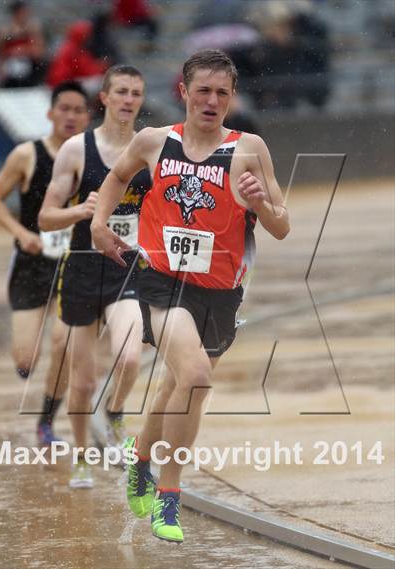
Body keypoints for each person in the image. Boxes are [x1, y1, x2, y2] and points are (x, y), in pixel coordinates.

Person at [91, 49, 289, 542]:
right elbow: (118, 177)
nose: (212, 100)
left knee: (175, 387)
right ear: (183, 92)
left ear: (232, 97)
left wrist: (262, 203)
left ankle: (140, 458)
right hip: (163, 281)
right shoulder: (155, 141)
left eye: (222, 92)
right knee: (196, 379)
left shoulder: (249, 149)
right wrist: (99, 223)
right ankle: (169, 496)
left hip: (222, 293)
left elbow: (282, 227)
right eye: (203, 90)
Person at [39, 65, 151, 489]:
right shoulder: (75, 150)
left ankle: (117, 410)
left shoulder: (152, 148)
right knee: (82, 383)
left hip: (127, 267)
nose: (128, 100)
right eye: (120, 91)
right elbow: (46, 217)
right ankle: (83, 456)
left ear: (141, 100)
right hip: (83, 267)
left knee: (129, 357)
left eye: (135, 93)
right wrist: (80, 211)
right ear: (103, 98)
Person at [0, 81, 90, 444]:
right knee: (26, 361)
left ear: (88, 116)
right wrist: (20, 233)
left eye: (79, 110)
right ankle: (31, 367)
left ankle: (46, 421)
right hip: (32, 261)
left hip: (73, 263)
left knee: (63, 343)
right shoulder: (26, 155)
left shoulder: (94, 155)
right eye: (65, 109)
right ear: (50, 113)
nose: (71, 116)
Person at [0, 0, 47, 88]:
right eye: (23, 12)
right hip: (9, 73)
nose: (26, 15)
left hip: (30, 72)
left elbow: (39, 52)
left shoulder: (33, 28)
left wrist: (23, 50)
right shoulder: (4, 29)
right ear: (15, 13)